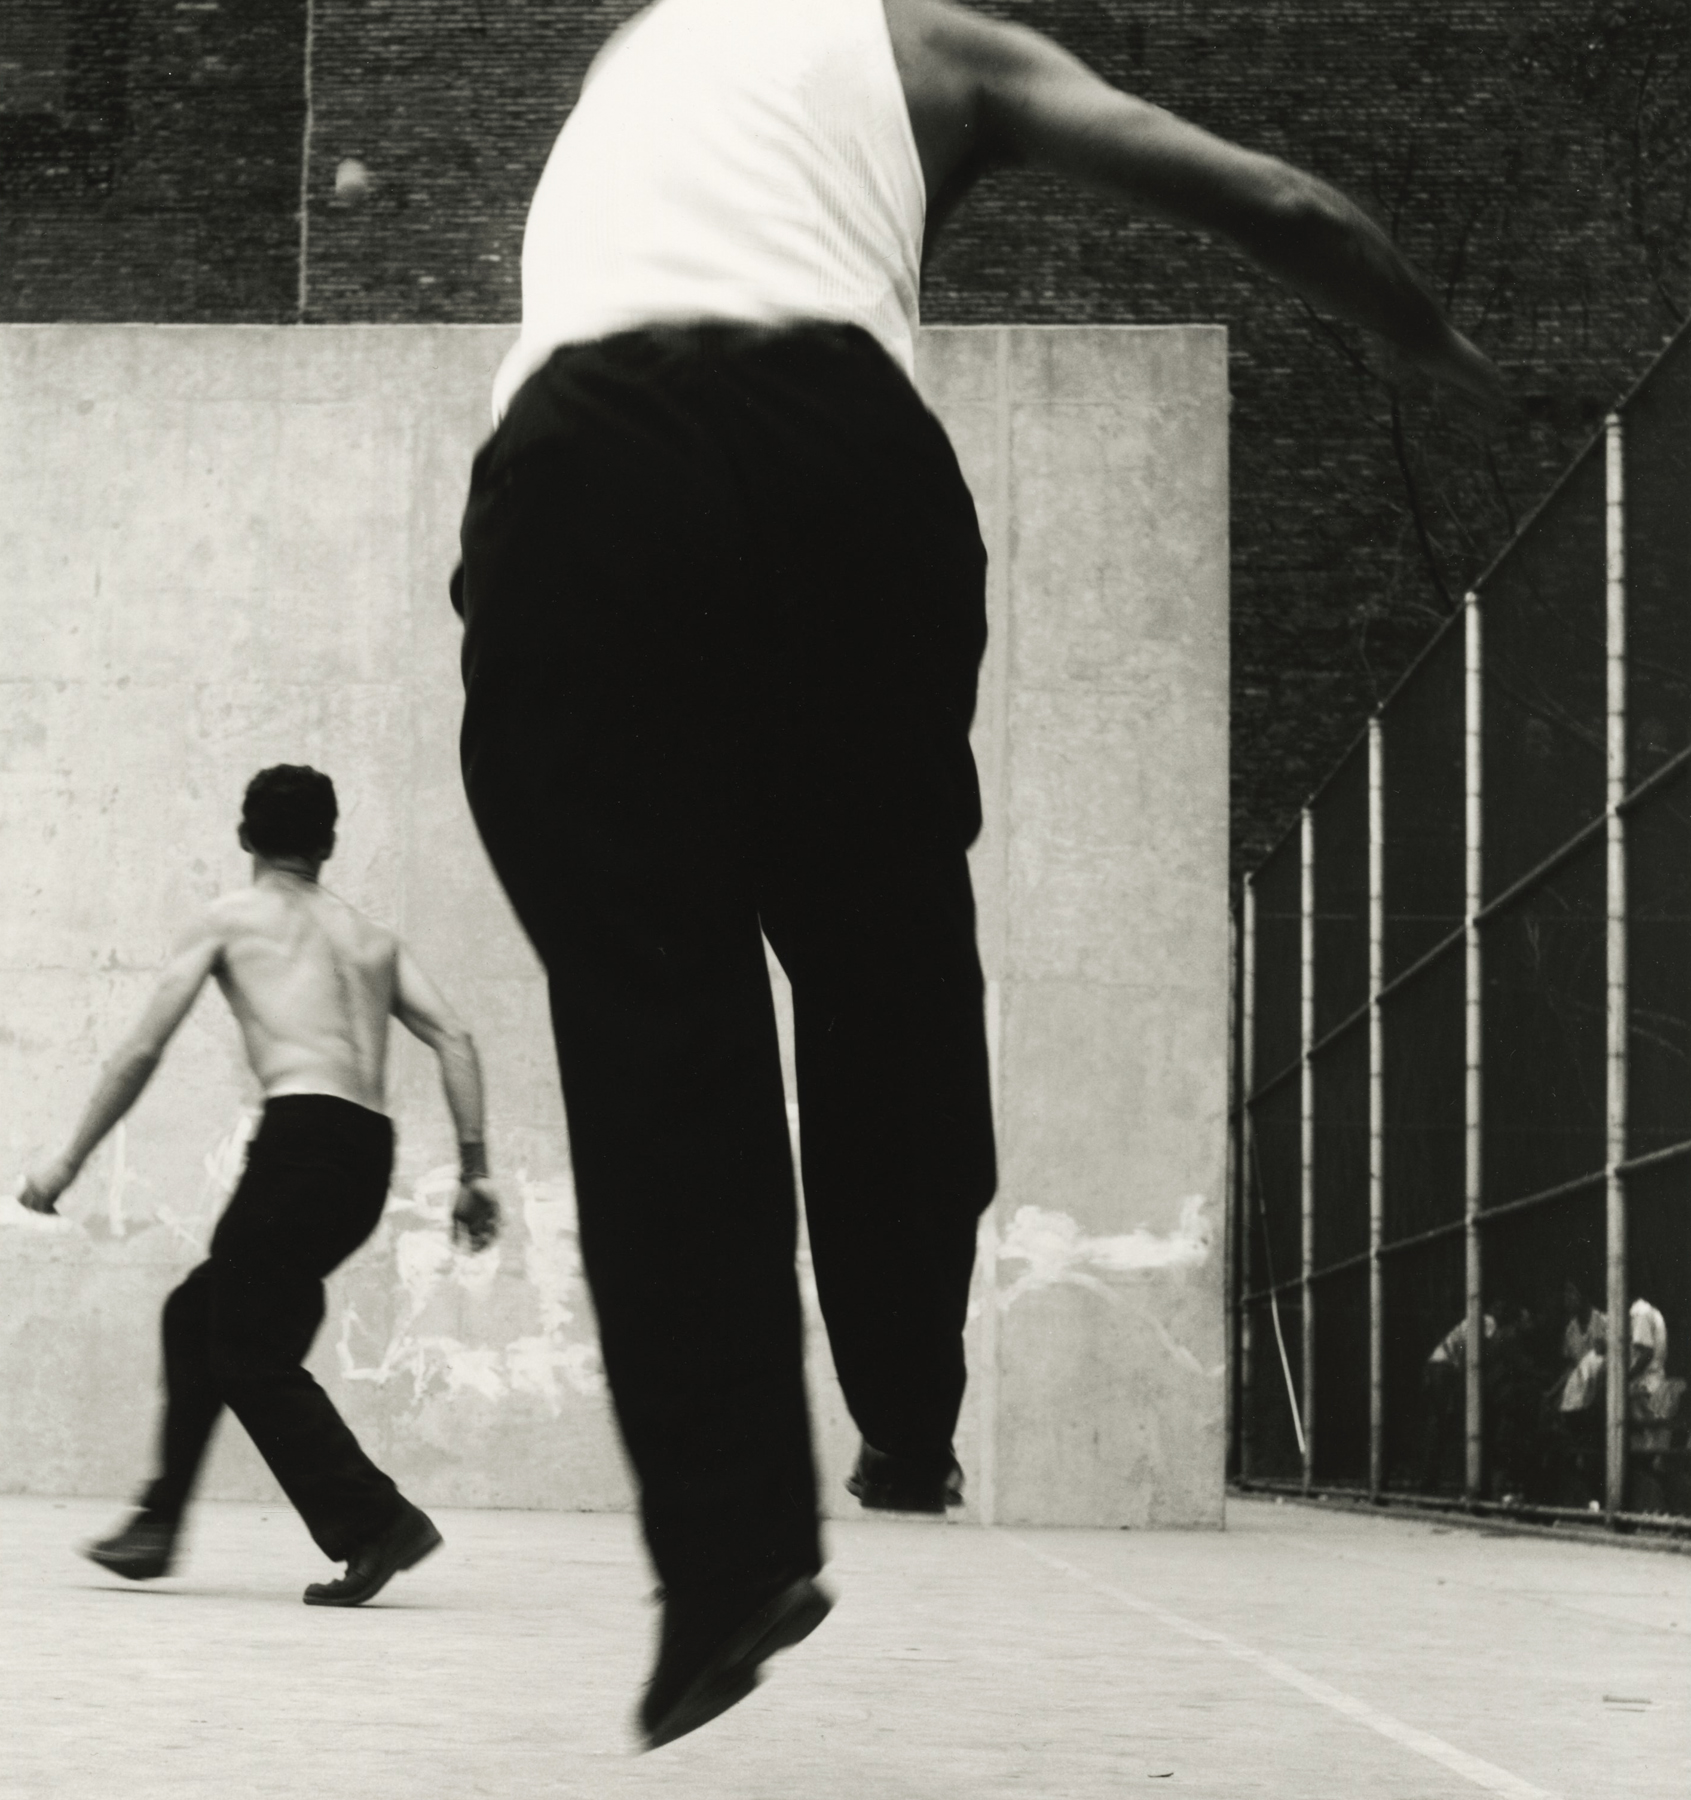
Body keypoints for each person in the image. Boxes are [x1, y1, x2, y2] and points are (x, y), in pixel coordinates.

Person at [451, 0, 1503, 1748]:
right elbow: (1279, 206)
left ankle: (725, 1560)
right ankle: (906, 1410)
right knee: (885, 961)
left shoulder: (630, 59)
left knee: (652, 1018)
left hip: (572, 487)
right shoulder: (946, 52)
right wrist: (1423, 331)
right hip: (838, 456)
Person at [16, 765, 502, 1607]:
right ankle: (159, 1523)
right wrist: (473, 1172)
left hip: (300, 1140)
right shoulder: (372, 940)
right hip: (364, 1154)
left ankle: (375, 1522)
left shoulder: (231, 919)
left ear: (245, 837)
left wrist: (68, 1161)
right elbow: (454, 1037)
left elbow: (139, 1051)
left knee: (247, 1350)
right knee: (200, 1313)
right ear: (330, 844)